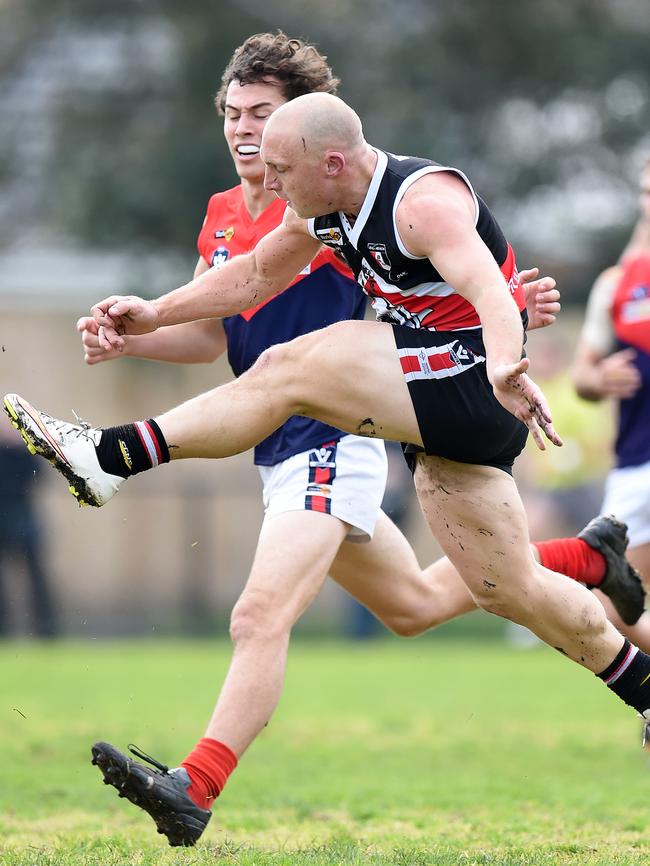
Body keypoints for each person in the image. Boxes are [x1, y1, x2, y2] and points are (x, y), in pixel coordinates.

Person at [4, 90, 649, 848]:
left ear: (332, 161)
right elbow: (251, 279)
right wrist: (156, 311)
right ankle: (638, 675)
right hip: (435, 411)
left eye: (282, 165)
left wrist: (508, 364)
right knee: (502, 588)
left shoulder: (420, 202)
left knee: (291, 369)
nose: (269, 181)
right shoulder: (316, 208)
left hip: (476, 387)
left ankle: (110, 456)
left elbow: (485, 289)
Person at [572, 157, 650, 650]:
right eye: (645, 190)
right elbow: (582, 374)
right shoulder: (618, 283)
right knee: (606, 607)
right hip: (637, 465)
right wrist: (599, 378)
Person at [0, 411, 58, 637]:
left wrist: (18, 446)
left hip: (22, 516)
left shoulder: (24, 450)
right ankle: (4, 629)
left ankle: (47, 628)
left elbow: (39, 476)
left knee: (36, 574)